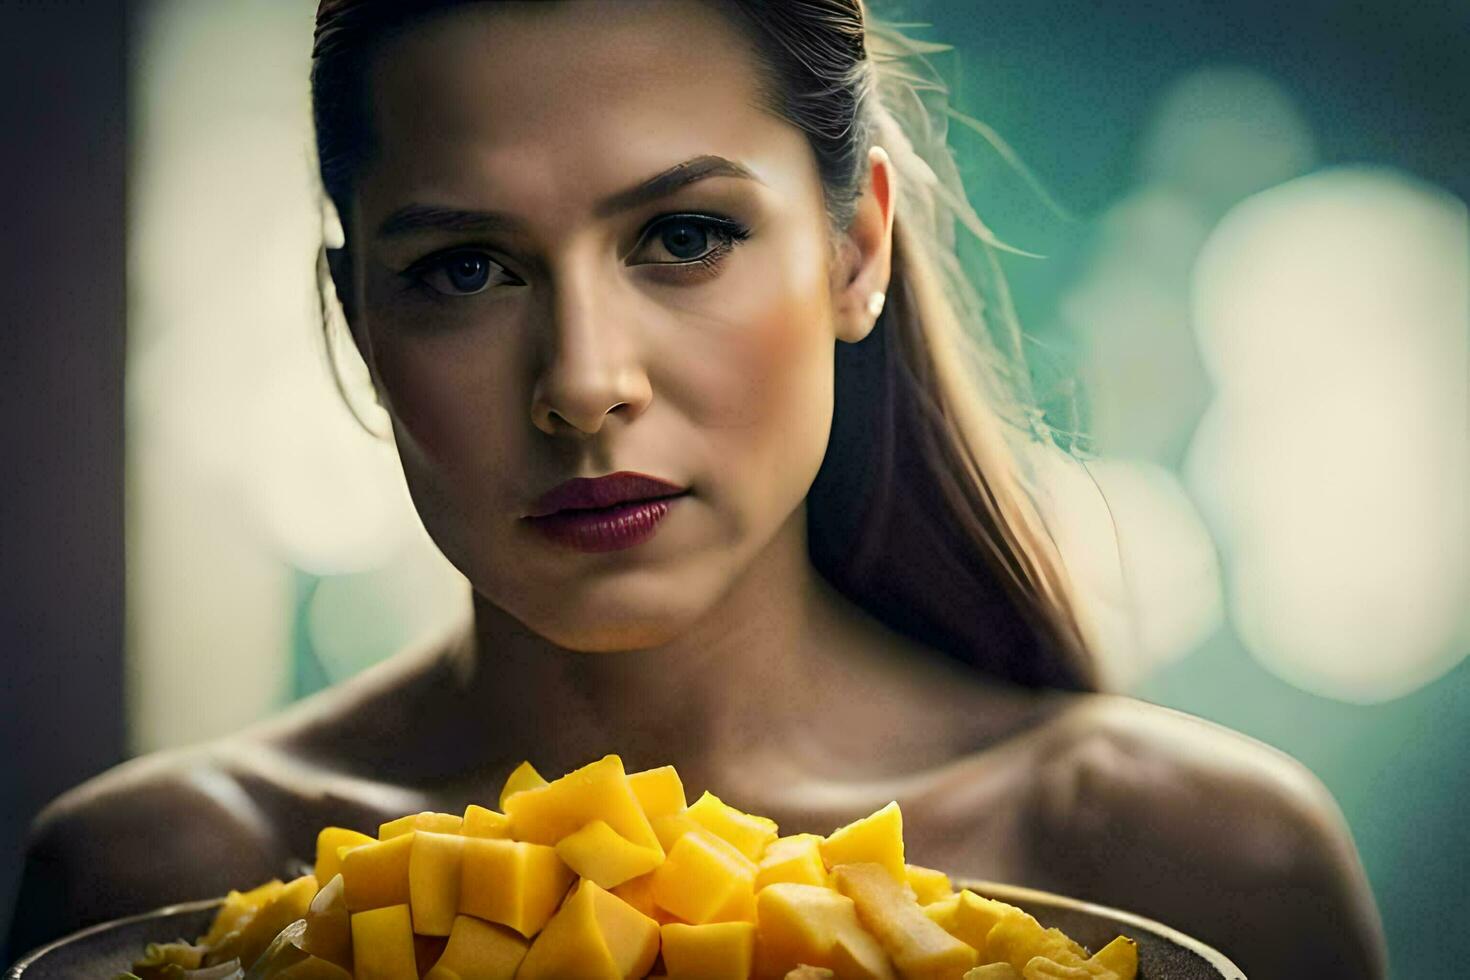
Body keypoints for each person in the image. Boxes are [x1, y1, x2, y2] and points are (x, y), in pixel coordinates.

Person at [5, 2, 1386, 977]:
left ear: (855, 251)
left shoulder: (1197, 871)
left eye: (682, 235)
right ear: (357, 320)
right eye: (465, 268)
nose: (585, 382)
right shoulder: (153, 886)